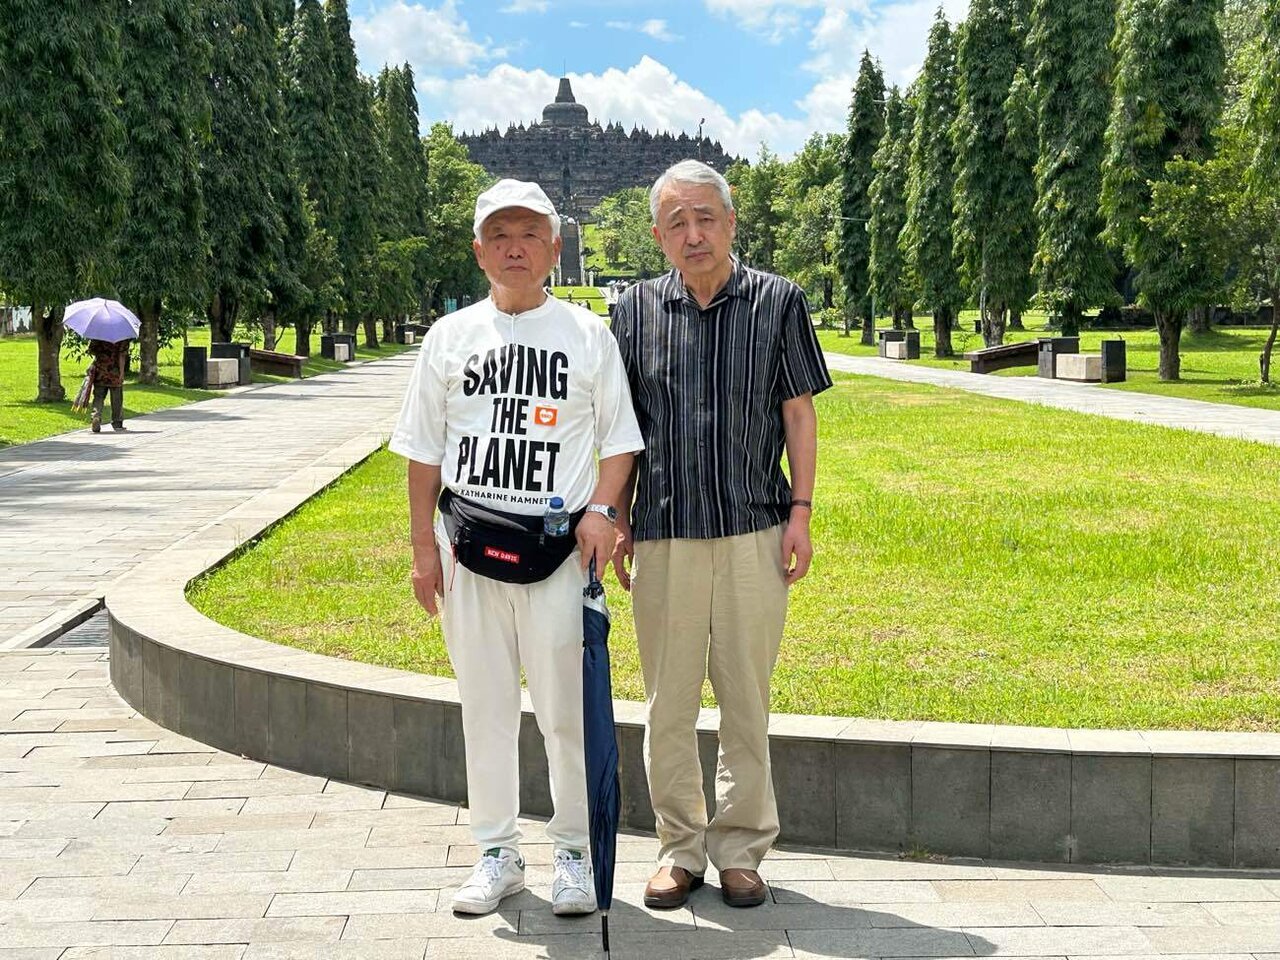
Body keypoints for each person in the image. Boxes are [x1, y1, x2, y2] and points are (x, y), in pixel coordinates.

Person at [389, 179, 644, 918]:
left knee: (566, 711)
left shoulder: (588, 337)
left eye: (530, 234)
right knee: (485, 708)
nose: (514, 248)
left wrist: (603, 511)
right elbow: (423, 453)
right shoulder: (449, 337)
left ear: (554, 248)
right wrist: (423, 550)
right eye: (499, 235)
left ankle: (574, 853)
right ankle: (496, 851)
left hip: (559, 552)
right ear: (479, 251)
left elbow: (620, 442)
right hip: (469, 548)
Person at [610, 159, 832, 910]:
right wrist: (619, 517)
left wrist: (801, 511)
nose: (694, 233)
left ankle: (740, 850)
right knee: (668, 705)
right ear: (658, 235)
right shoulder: (635, 311)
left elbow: (798, 412)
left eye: (706, 217)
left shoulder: (778, 302)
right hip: (664, 534)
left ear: (731, 223)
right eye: (677, 222)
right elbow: (623, 429)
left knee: (746, 700)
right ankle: (680, 849)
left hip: (753, 532)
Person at [88, 338, 130, 433]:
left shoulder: (98, 335)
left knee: (98, 397)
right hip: (115, 372)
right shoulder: (122, 337)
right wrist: (122, 373)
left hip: (100, 371)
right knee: (117, 399)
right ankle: (117, 423)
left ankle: (96, 416)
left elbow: (91, 350)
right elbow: (122, 355)